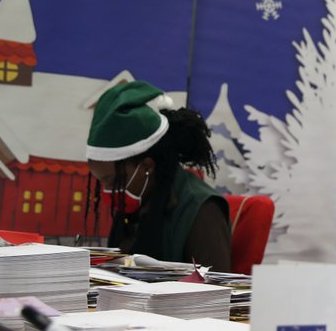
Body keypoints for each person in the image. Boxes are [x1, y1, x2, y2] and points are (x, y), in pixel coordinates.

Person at [85, 80, 231, 271]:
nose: (107, 192)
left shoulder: (201, 211)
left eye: (114, 181)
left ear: (147, 167)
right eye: (101, 183)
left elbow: (215, 293)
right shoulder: (138, 204)